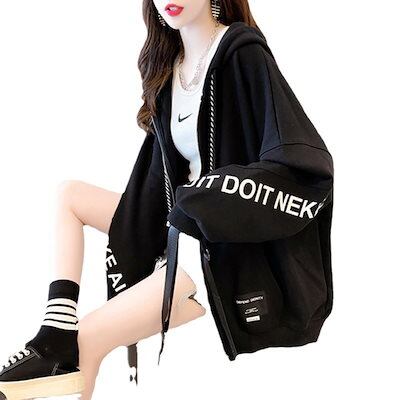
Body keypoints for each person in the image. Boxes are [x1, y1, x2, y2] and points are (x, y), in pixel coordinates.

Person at [0, 1, 334, 399]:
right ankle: (55, 329)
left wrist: (208, 198)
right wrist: (176, 210)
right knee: (69, 196)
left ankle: (61, 350)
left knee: (86, 338)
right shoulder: (168, 70)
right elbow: (156, 179)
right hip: (178, 220)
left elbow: (299, 158)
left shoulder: (242, 51)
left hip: (215, 240)